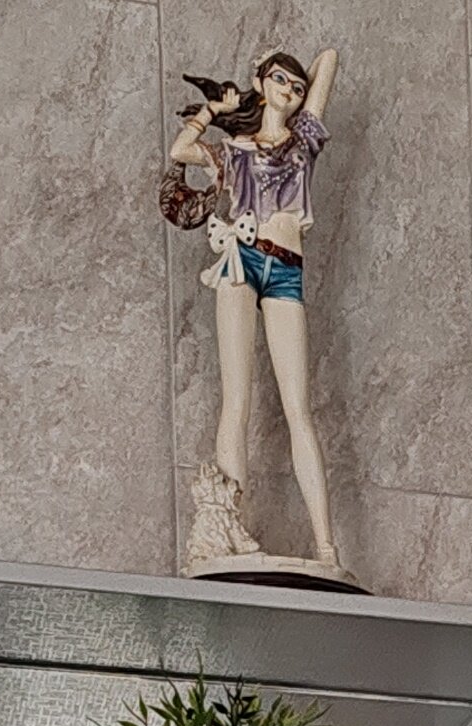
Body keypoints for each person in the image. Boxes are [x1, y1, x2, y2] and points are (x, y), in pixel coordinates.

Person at [172, 47, 341, 576]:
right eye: (280, 81)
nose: (290, 90)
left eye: (296, 86)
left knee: (299, 408)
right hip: (240, 260)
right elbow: (181, 149)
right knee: (236, 400)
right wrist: (217, 110)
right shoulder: (235, 150)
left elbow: (329, 59)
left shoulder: (303, 142)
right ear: (262, 83)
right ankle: (229, 530)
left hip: (287, 269)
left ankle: (327, 547)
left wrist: (281, 76)